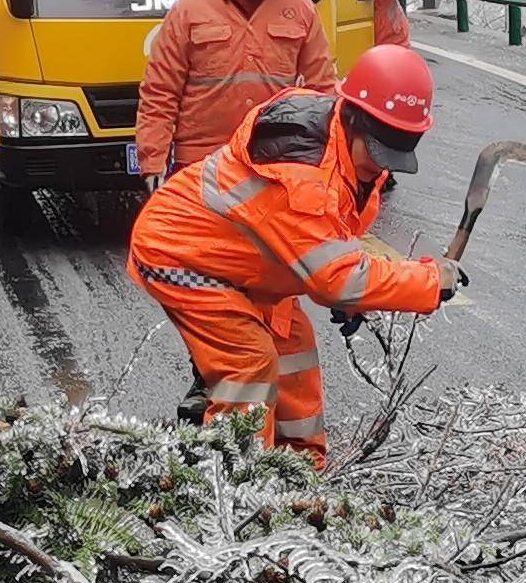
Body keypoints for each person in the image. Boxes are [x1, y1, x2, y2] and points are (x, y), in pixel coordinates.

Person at [126, 43, 461, 466]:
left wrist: (355, 292)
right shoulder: (305, 176)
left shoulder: (346, 146)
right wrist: (430, 281)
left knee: (295, 351)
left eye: (392, 155)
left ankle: (301, 470)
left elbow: (333, 237)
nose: (380, 168)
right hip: (182, 254)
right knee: (249, 365)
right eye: (376, 153)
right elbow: (338, 280)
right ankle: (235, 480)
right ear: (353, 117)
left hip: (244, 260)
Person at [132, 0, 416, 181]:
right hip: (201, 163)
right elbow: (160, 90)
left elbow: (322, 91)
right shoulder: (189, 9)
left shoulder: (300, 7)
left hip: (273, 161)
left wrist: (331, 162)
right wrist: (153, 160)